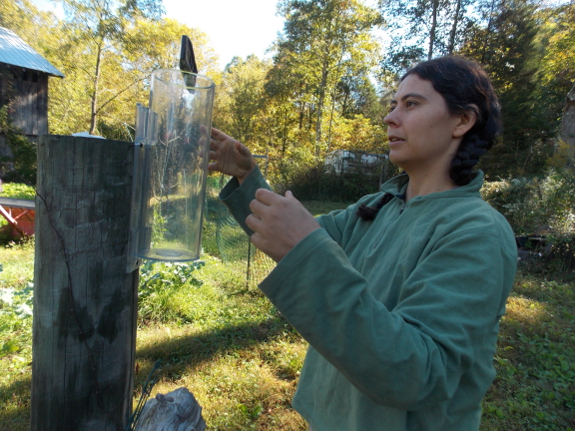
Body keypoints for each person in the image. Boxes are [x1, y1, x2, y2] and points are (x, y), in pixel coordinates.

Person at [207, 55, 517, 431]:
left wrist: (305, 250)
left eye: (412, 104)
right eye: (393, 104)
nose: (390, 117)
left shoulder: (477, 230)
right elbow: (288, 236)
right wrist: (246, 176)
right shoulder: (380, 205)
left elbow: (418, 373)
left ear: (462, 121)